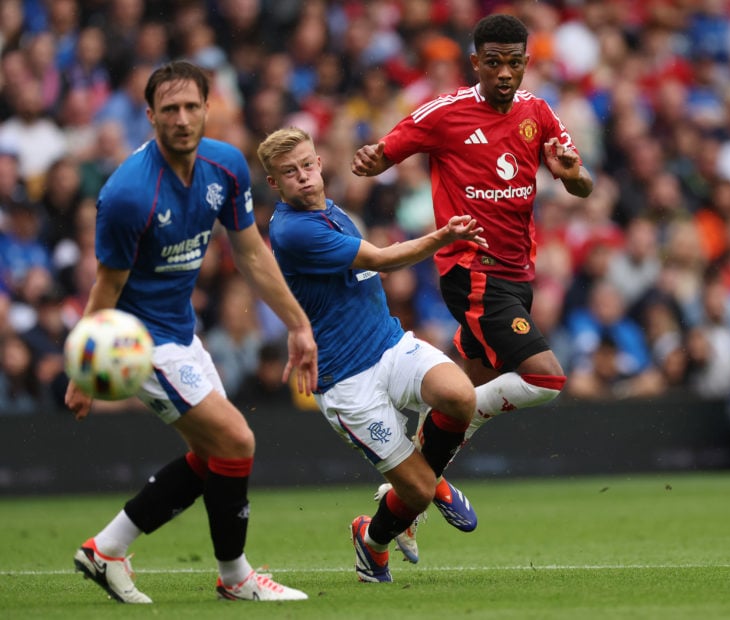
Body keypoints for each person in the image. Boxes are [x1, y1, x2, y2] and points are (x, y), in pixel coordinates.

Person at [64, 61, 317, 604]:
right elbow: (105, 288)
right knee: (236, 440)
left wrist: (298, 324)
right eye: (170, 109)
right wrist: (83, 370)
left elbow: (249, 250)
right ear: (150, 115)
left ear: (209, 108)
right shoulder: (128, 194)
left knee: (214, 456)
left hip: (183, 329)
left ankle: (106, 550)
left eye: (191, 107)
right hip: (138, 341)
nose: (182, 119)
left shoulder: (224, 165)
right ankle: (236, 578)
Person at [351, 14, 593, 450]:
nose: (505, 73)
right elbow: (387, 152)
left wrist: (573, 176)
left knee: (460, 405)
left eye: (515, 63)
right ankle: (464, 416)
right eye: (494, 62)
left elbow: (583, 184)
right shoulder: (445, 113)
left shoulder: (537, 112)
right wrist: (372, 158)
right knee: (546, 377)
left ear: (525, 62)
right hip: (473, 270)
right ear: (475, 61)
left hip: (519, 273)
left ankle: (395, 510)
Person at [257, 127, 486, 583]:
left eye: (306, 165)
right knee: (416, 492)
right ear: (274, 184)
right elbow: (381, 260)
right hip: (348, 382)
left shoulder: (330, 209)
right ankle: (373, 539)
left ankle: (428, 478)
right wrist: (442, 236)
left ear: (319, 163)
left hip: (388, 344)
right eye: (289, 172)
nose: (302, 176)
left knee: (460, 396)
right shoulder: (294, 229)